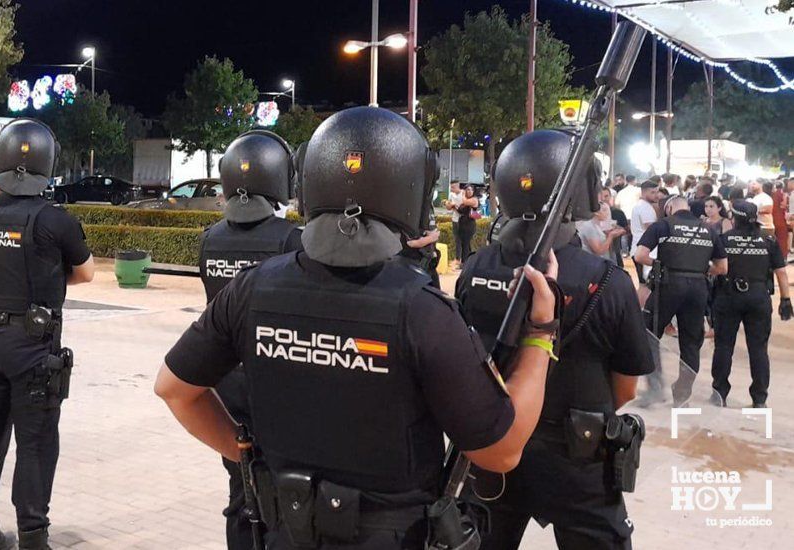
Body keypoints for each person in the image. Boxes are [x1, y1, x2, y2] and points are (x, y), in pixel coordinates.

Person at [155, 107, 560, 550]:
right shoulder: (422, 310)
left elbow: (174, 388)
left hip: (284, 531)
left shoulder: (250, 289)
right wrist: (541, 332)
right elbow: (500, 453)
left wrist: (248, 458)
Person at [456, 128, 653, 550]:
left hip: (495, 445)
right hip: (578, 458)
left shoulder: (474, 269)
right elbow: (625, 387)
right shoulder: (608, 281)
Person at [0, 119, 95, 550]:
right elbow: (86, 273)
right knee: (36, 442)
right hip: (32, 346)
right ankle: (33, 538)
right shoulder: (55, 220)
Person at [198, 129, 303, 550]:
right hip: (277, 384)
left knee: (239, 487)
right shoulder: (290, 240)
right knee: (281, 494)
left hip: (226, 384)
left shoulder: (210, 239)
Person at [634, 196, 728, 407]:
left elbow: (640, 256)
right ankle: (682, 395)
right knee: (691, 342)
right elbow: (723, 268)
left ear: (669, 208)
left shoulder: (663, 225)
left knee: (649, 334)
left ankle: (655, 388)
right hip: (698, 288)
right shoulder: (709, 229)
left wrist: (660, 265)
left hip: (668, 285)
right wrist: (702, 271)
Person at [710, 201, 791, 409]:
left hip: (728, 296)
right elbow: (781, 272)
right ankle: (759, 398)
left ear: (734, 218)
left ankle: (719, 393)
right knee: (758, 349)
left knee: (724, 346)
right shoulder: (768, 240)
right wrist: (785, 299)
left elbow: (715, 268)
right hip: (758, 297)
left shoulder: (724, 239)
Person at [630, 180, 660, 306]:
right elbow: (652, 228)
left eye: (656, 192)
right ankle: (642, 313)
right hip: (645, 252)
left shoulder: (644, 206)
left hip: (643, 250)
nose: (656, 195)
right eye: (652, 192)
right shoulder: (643, 207)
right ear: (644, 192)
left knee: (645, 285)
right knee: (646, 286)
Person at [443, 181, 464, 267]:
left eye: (453, 187)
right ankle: (457, 259)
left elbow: (463, 207)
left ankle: (464, 260)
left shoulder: (463, 194)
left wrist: (455, 205)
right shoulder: (451, 195)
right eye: (451, 187)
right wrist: (448, 205)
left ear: (458, 186)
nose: (451, 189)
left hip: (463, 220)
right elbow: (449, 208)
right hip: (455, 219)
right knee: (457, 240)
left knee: (464, 241)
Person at [457, 185, 480, 258]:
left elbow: (465, 202)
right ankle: (468, 261)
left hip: (469, 225)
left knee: (466, 245)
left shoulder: (474, 199)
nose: (469, 191)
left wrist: (463, 194)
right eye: (468, 190)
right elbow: (460, 210)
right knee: (464, 244)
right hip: (462, 224)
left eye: (471, 190)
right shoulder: (465, 201)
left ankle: (464, 263)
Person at [770, 181, 789, 258]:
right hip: (781, 220)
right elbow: (785, 206)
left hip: (771, 219)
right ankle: (782, 257)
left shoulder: (771, 195)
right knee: (782, 239)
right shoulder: (784, 195)